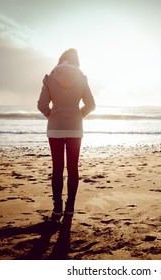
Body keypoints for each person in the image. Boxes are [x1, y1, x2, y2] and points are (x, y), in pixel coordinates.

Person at [38, 48, 95, 223]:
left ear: (61, 60)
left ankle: (57, 209)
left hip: (55, 128)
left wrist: (53, 115)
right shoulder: (82, 78)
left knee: (57, 168)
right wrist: (78, 115)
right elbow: (91, 104)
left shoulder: (50, 78)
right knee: (72, 168)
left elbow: (42, 105)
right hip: (75, 128)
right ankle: (69, 209)